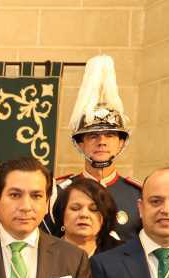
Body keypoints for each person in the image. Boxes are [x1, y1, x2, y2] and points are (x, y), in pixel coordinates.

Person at [44, 55, 141, 241]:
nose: (101, 142)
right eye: (93, 136)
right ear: (80, 143)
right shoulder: (58, 191)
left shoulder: (137, 194)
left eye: (110, 135)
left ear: (121, 143)